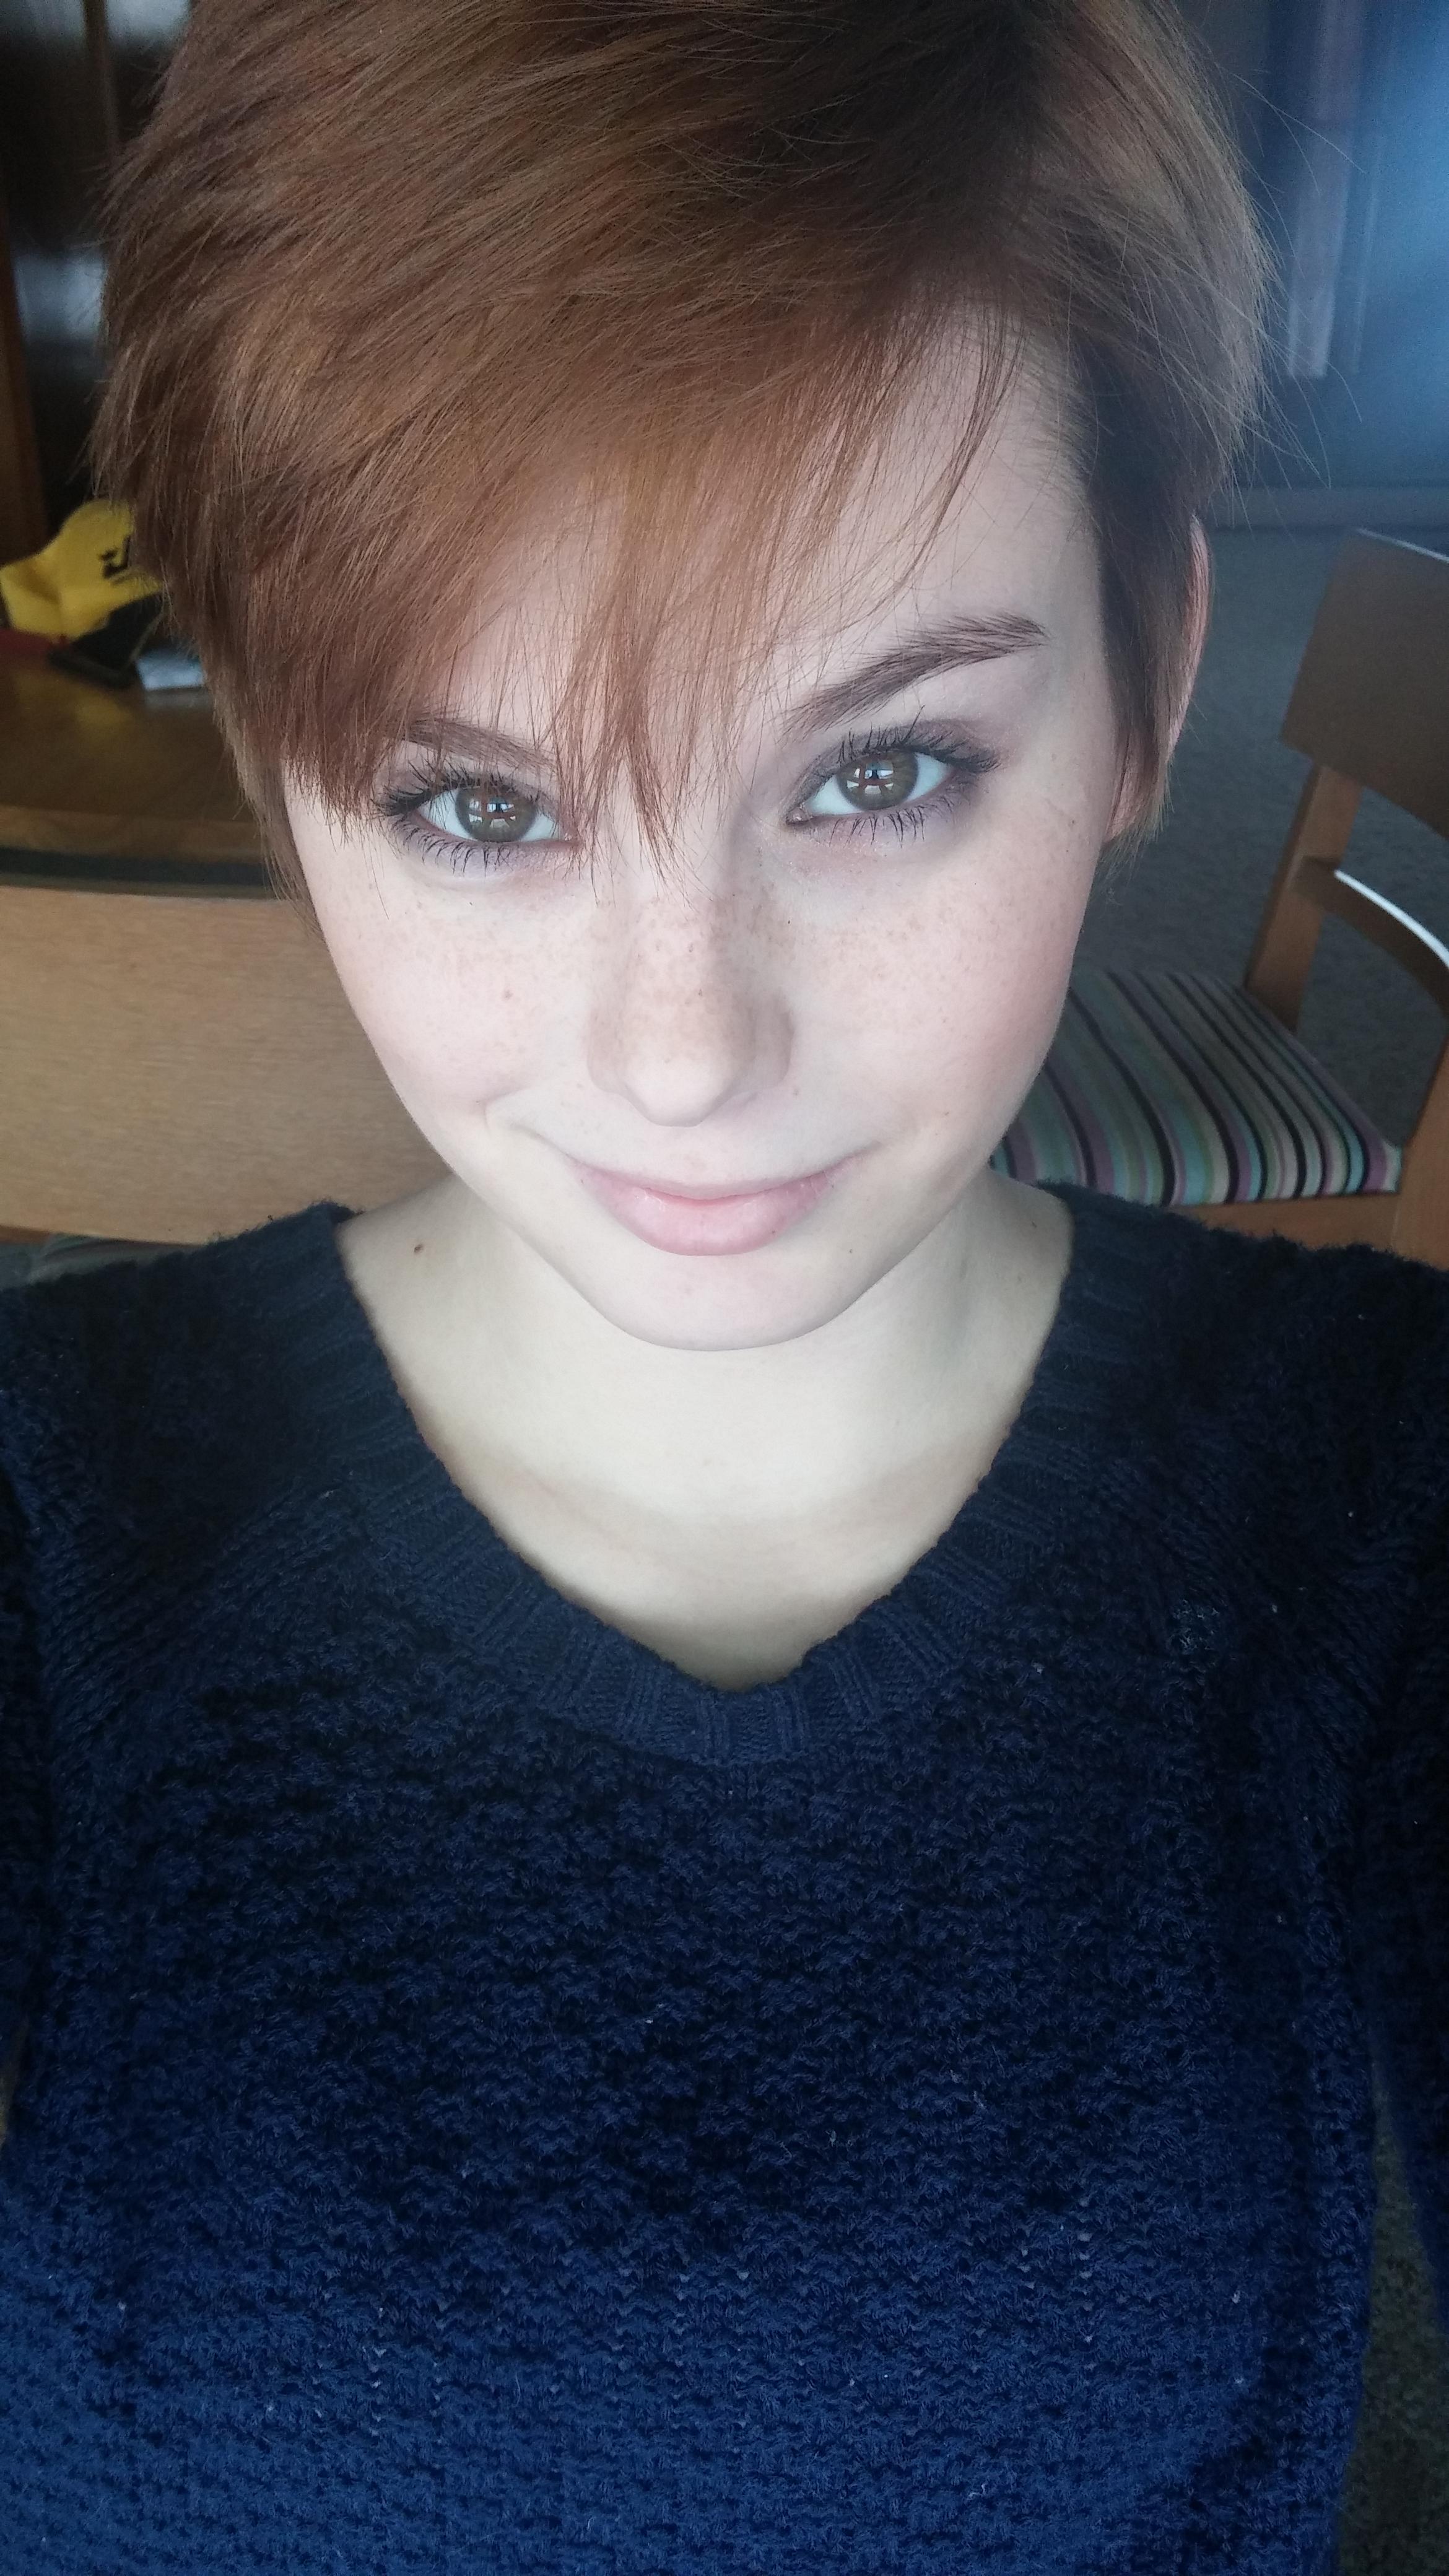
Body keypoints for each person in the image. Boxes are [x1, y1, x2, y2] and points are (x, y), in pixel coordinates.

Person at [2, 1, 1445, 2567]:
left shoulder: (1388, 1503)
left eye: (879, 771)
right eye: (478, 805)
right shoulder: (47, 1522)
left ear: (1150, 688)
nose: (686, 1054)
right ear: (280, 775)